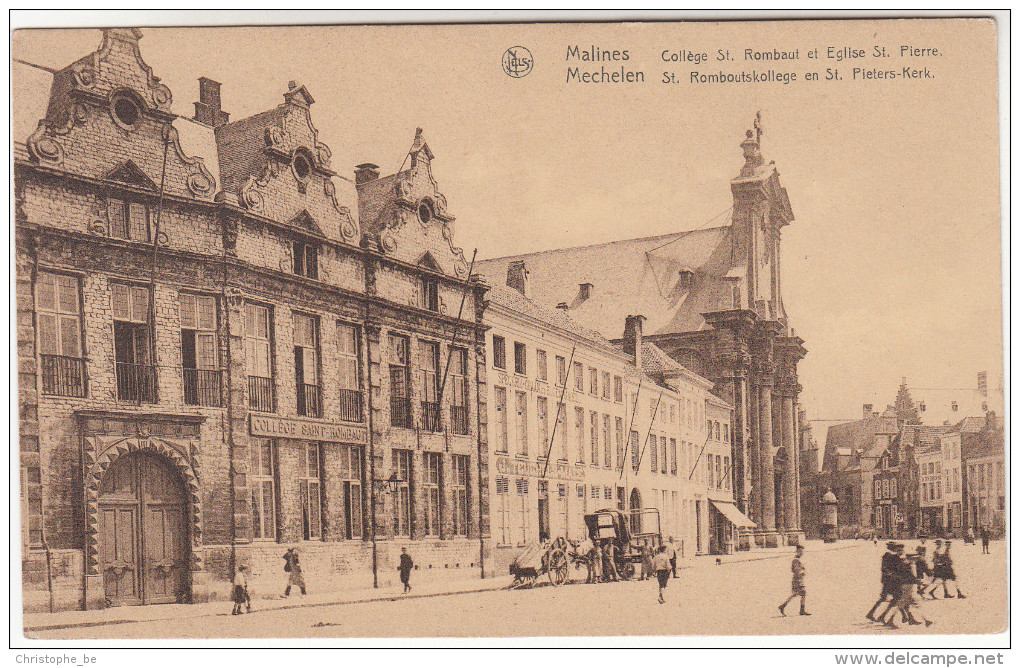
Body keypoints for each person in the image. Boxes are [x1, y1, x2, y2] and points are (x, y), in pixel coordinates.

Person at [867, 543, 903, 623]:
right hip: (890, 581)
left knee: (886, 598)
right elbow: (886, 568)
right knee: (897, 597)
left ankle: (872, 613)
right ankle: (884, 616)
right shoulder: (889, 555)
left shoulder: (887, 555)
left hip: (887, 580)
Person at [778, 545, 810, 616]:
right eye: (801, 551)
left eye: (802, 551)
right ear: (797, 551)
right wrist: (802, 572)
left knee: (796, 594)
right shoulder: (795, 560)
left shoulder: (797, 560)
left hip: (798, 579)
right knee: (803, 593)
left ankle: (783, 606)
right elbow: (795, 570)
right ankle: (801, 610)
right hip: (797, 580)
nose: (802, 553)